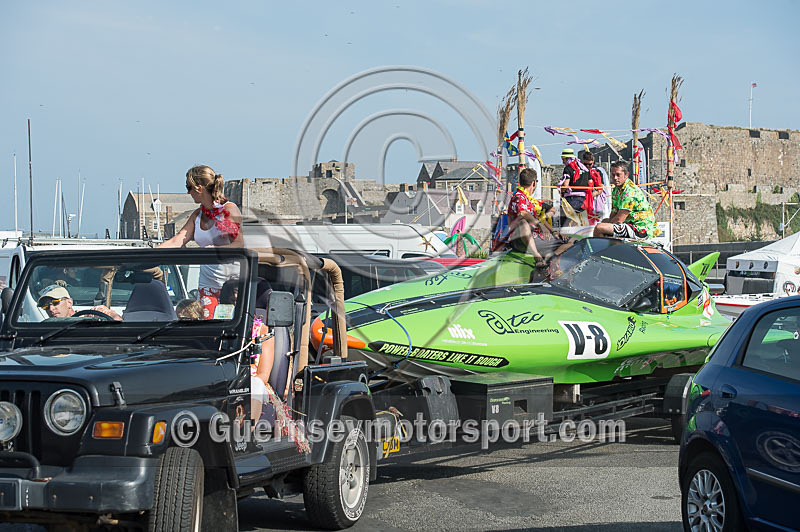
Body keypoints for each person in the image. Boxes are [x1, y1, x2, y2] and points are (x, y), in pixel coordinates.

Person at [159, 165, 243, 318]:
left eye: (188, 187)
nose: (188, 192)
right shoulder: (197, 215)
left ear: (199, 188)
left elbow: (238, 244)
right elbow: (178, 240)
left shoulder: (228, 210)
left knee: (230, 326)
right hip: (208, 282)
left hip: (231, 284)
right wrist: (148, 254)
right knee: (208, 324)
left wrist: (215, 250)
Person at [593, 161, 660, 240]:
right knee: (604, 222)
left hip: (640, 229)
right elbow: (614, 213)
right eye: (613, 175)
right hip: (630, 224)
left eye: (618, 175)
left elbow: (619, 220)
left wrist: (605, 228)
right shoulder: (616, 189)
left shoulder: (629, 191)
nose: (615, 178)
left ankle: (602, 251)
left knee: (599, 228)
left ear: (626, 175)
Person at [507, 168, 562, 263]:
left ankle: (549, 260)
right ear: (534, 183)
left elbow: (540, 218)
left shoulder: (528, 200)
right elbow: (523, 213)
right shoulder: (519, 197)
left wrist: (553, 232)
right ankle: (539, 257)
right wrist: (539, 225)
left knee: (570, 241)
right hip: (523, 240)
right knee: (523, 223)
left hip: (535, 237)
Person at [559, 150, 603, 226]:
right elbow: (590, 183)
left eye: (563, 160)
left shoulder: (568, 168)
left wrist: (561, 191)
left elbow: (566, 185)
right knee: (582, 222)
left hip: (572, 199)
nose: (563, 162)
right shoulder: (584, 169)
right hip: (584, 200)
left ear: (567, 158)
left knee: (566, 218)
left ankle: (564, 233)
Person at [37, 285, 122, 320]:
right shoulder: (47, 332)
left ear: (69, 302)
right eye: (45, 306)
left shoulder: (91, 315)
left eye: (55, 302)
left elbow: (116, 319)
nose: (51, 309)